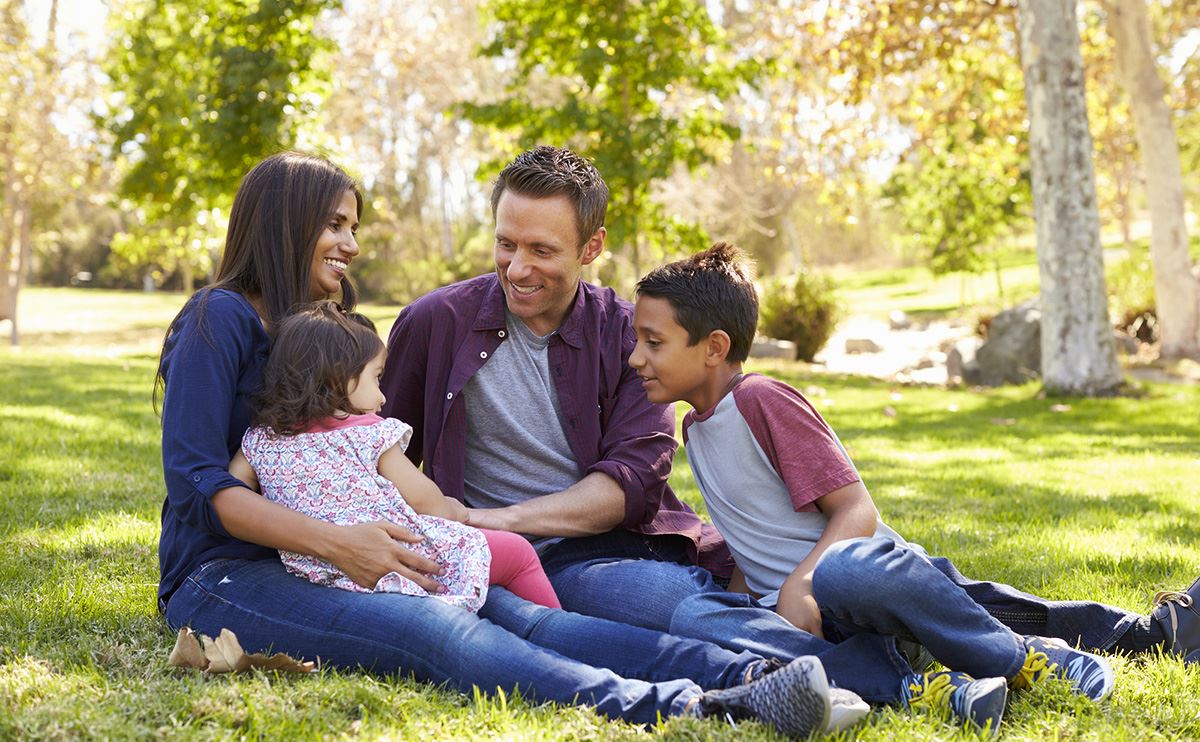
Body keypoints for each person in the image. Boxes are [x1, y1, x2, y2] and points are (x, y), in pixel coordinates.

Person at [381, 145, 1199, 713]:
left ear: (591, 246)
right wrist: (446, 533)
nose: (518, 267)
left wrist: (488, 517)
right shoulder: (434, 324)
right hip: (525, 561)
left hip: (620, 545)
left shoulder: (628, 335)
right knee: (735, 610)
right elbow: (383, 444)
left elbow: (627, 487)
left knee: (892, 582)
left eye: (542, 249)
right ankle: (912, 681)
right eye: (505, 245)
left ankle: (1118, 635)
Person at [156, 150, 851, 740]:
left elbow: (364, 448)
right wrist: (342, 543)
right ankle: (695, 706)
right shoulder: (219, 318)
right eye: (335, 225)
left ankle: (758, 677)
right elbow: (199, 485)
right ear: (287, 223)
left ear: (589, 248)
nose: (352, 244)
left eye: (352, 226)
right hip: (227, 574)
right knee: (441, 633)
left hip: (342, 558)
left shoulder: (312, 328)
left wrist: (421, 535)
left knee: (524, 617)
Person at [627, 241, 1200, 728]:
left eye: (654, 342)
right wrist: (745, 606)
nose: (635, 358)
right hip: (820, 622)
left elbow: (857, 511)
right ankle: (912, 679)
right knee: (696, 615)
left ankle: (1045, 655)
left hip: (870, 582)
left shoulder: (761, 400)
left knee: (892, 583)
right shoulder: (694, 431)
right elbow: (750, 538)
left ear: (714, 347)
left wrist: (802, 584)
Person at [227, 300, 560, 610]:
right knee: (518, 554)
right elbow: (427, 502)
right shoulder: (370, 434)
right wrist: (453, 510)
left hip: (318, 571)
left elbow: (234, 491)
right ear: (341, 378)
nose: (383, 396)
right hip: (402, 560)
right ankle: (554, 622)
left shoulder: (259, 440)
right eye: (377, 377)